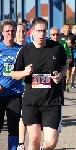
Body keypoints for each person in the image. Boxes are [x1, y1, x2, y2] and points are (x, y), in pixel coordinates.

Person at [11, 17, 68, 150]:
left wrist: (60, 74)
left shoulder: (57, 48)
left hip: (51, 101)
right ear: (32, 32)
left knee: (51, 142)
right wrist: (24, 72)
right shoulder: (25, 50)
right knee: (34, 139)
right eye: (38, 31)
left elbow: (65, 64)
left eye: (44, 31)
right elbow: (14, 74)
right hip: (31, 101)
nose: (42, 34)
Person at [0, 19, 22, 150]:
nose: (10, 33)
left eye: (12, 31)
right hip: (1, 92)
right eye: (7, 31)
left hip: (15, 93)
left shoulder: (21, 50)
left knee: (13, 126)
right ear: (2, 32)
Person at [50, 26, 72, 106]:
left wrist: (67, 60)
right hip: (51, 72)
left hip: (62, 72)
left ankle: (60, 106)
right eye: (53, 35)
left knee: (61, 91)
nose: (55, 36)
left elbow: (69, 56)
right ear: (50, 35)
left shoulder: (63, 43)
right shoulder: (47, 44)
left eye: (57, 34)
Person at [15, 23, 27, 150]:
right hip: (12, 87)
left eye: (23, 31)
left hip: (26, 85)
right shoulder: (11, 47)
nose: (21, 33)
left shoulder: (30, 47)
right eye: (19, 31)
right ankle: (19, 142)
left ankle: (21, 143)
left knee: (24, 115)